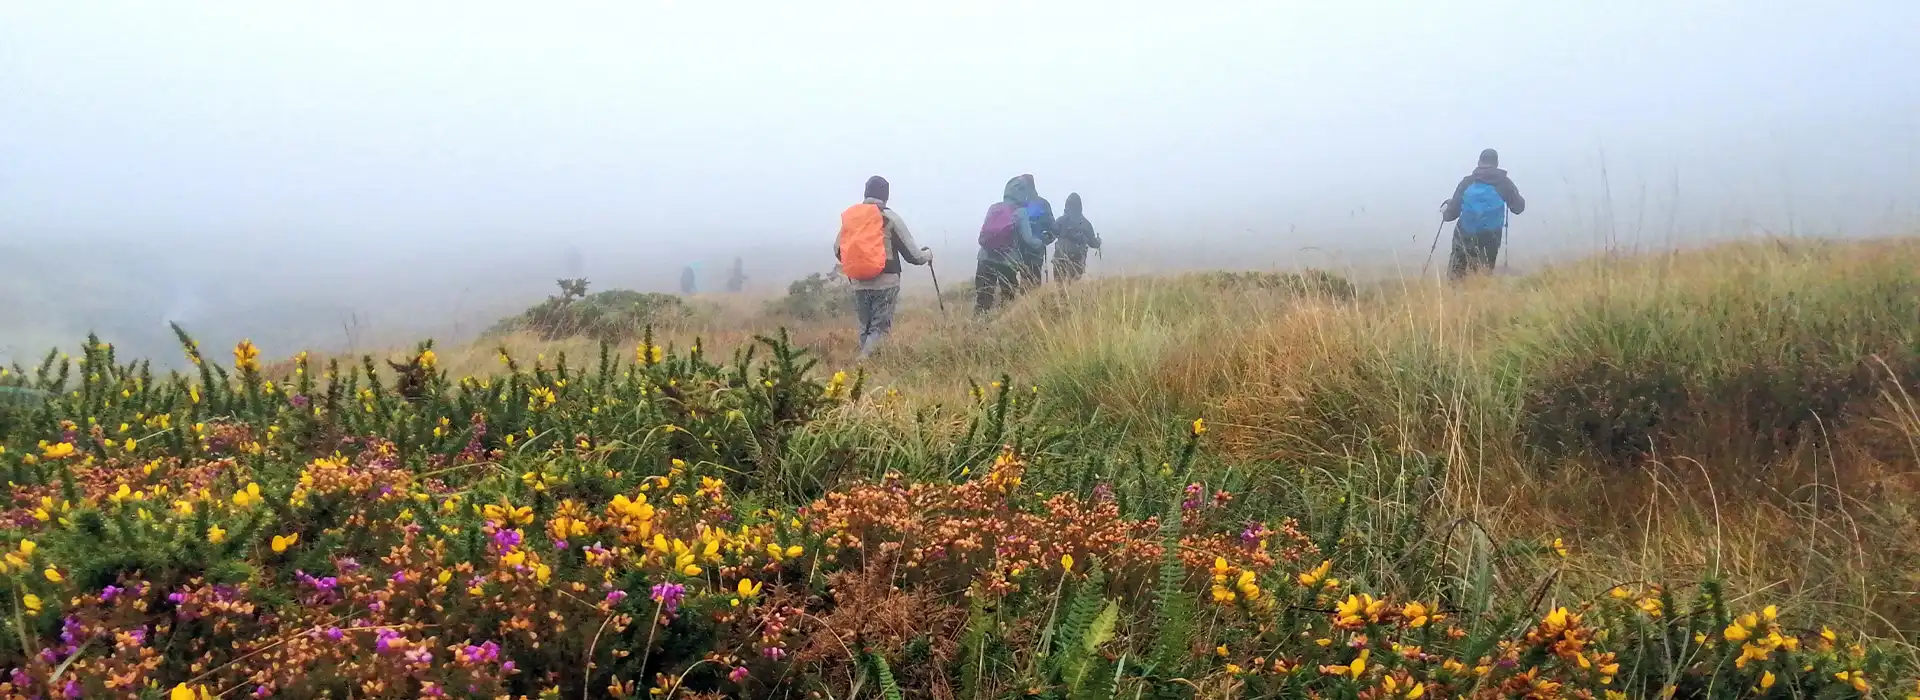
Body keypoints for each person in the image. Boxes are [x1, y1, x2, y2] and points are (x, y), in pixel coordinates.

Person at [835, 175, 930, 360]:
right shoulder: (890, 217)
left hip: (858, 281)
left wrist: (857, 264)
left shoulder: (852, 218)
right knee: (879, 329)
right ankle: (864, 363)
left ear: (865, 193)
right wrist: (928, 255)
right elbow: (914, 256)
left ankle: (867, 369)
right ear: (886, 195)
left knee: (865, 327)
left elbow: (838, 249)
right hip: (886, 281)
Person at [1441, 148, 1526, 280]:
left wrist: (1446, 209)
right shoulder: (1504, 183)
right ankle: (1480, 289)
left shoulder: (1467, 182)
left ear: (1479, 162)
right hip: (1491, 235)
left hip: (1464, 233)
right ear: (1496, 163)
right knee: (1483, 273)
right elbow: (1518, 208)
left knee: (1456, 272)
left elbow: (1451, 215)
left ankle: (1454, 290)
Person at [975, 175, 1047, 313]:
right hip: (1007, 262)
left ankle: (977, 324)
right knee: (1008, 300)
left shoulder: (993, 208)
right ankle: (1002, 324)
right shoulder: (1020, 212)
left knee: (983, 300)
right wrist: (1041, 241)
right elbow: (1029, 240)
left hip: (984, 258)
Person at [1050, 192, 1101, 283]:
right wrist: (1098, 241)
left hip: (1059, 258)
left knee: (1059, 285)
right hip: (1077, 260)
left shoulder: (1060, 220)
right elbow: (1093, 243)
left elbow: (1051, 235)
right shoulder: (1085, 223)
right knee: (1073, 285)